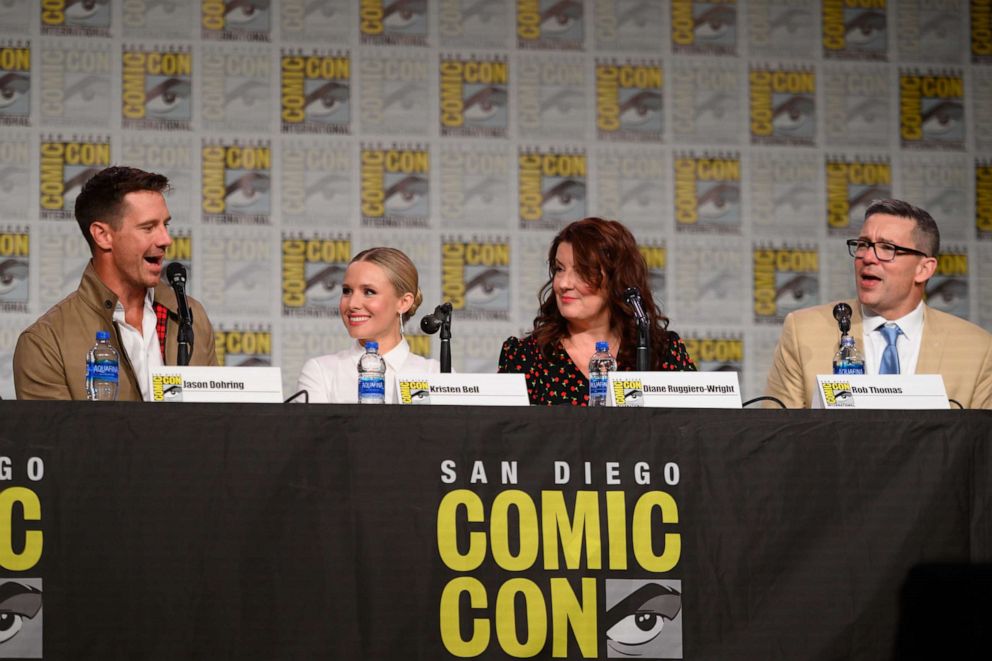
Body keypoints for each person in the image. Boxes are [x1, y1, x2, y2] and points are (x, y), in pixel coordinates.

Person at [765, 198, 992, 408]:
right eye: (863, 244)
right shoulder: (804, 332)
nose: (868, 257)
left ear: (924, 269)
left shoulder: (976, 350)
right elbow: (778, 438)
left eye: (887, 248)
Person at [14, 166, 217, 400]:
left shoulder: (191, 317)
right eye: (148, 227)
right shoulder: (45, 343)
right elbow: (53, 437)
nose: (166, 239)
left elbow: (218, 424)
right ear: (103, 235)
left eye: (165, 225)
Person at [499, 217, 695, 405]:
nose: (564, 284)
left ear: (616, 278)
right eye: (559, 269)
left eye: (581, 271)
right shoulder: (526, 357)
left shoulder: (662, 352)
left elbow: (698, 430)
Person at [297, 247, 441, 403]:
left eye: (369, 292)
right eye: (347, 291)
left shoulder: (435, 374)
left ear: (403, 302)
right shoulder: (321, 372)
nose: (352, 304)